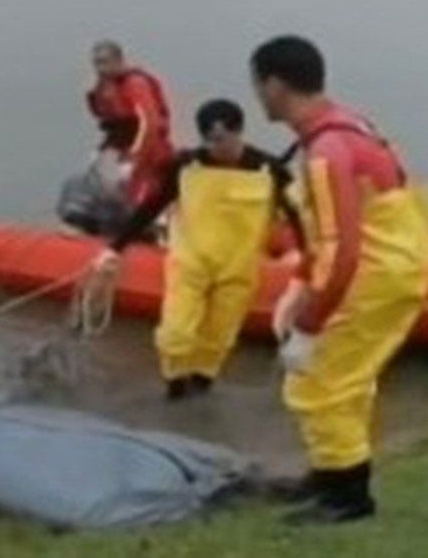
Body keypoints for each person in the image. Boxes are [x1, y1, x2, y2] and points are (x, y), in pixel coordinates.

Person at [252, 35, 428, 526]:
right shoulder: (350, 125)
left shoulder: (325, 152)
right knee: (348, 379)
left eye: (258, 84)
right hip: (396, 263)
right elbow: (328, 231)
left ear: (274, 84)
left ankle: (348, 500)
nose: (257, 95)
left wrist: (310, 325)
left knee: (319, 382)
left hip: (376, 272)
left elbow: (343, 250)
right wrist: (298, 282)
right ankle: (331, 474)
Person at [94, 99, 304, 401]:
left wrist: (308, 259)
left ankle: (203, 386)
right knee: (174, 335)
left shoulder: (270, 170)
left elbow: (298, 218)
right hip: (190, 263)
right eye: (210, 140)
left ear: (239, 131)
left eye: (223, 139)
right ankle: (175, 388)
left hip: (238, 268)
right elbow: (152, 206)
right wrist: (114, 249)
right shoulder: (184, 166)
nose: (216, 148)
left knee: (218, 337)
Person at [85, 40, 174, 206]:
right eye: (96, 63)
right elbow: (111, 123)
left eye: (104, 62)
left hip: (149, 152)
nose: (100, 69)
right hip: (120, 146)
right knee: (98, 182)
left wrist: (135, 157)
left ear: (118, 61)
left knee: (141, 198)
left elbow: (150, 123)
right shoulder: (105, 88)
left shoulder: (135, 84)